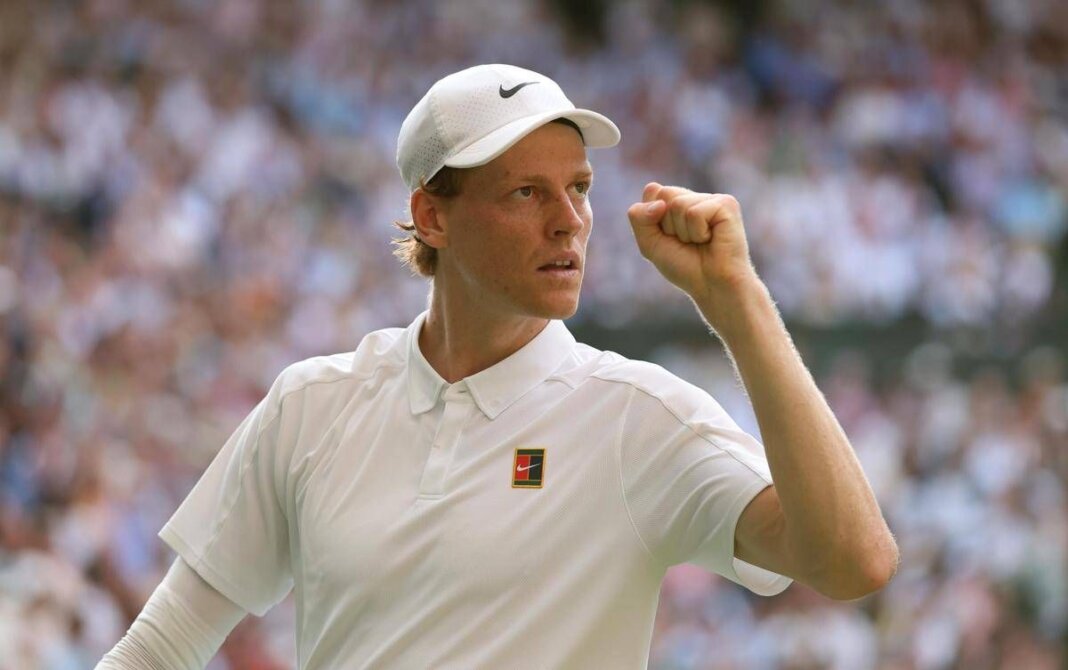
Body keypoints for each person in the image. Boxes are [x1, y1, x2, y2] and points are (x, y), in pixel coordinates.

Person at [98, 63, 898, 669]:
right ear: (432, 216)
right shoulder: (310, 404)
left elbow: (853, 562)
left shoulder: (638, 417)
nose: (570, 221)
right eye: (526, 193)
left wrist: (740, 306)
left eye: (579, 188)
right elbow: (162, 648)